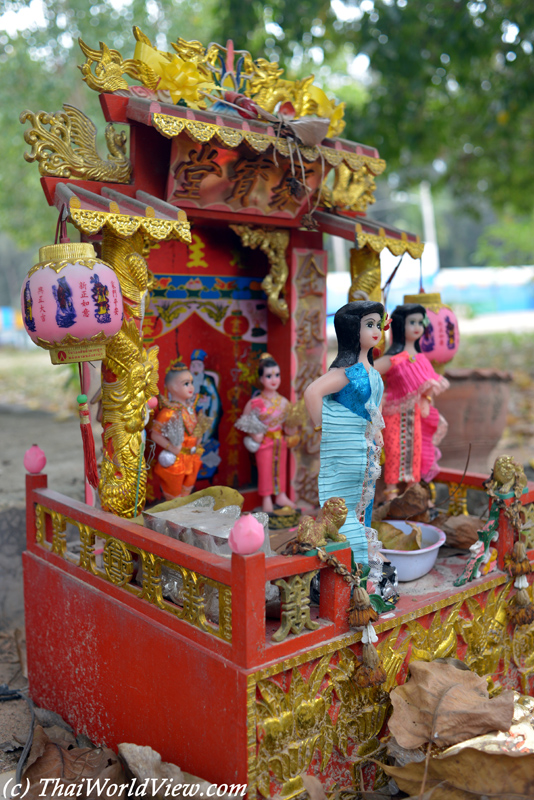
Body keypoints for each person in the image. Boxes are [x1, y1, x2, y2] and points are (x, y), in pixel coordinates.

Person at [304, 301, 385, 566]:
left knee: (364, 500)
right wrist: (325, 428)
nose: (376, 331)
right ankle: (350, 556)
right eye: (369, 325)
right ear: (352, 329)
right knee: (343, 502)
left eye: (378, 325)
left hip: (365, 449)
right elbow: (313, 392)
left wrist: (377, 434)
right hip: (345, 446)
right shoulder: (348, 373)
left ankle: (362, 556)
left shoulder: (373, 373)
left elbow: (376, 409)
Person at [374, 303, 449, 500]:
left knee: (415, 451)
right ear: (400, 326)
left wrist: (427, 399)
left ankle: (413, 493)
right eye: (411, 322)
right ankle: (390, 496)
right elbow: (368, 371)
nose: (417, 327)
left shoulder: (422, 358)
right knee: (393, 451)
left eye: (420, 322)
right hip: (392, 413)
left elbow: (428, 385)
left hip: (415, 415)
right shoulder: (393, 359)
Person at [236, 353, 297, 513]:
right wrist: (255, 434)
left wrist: (293, 430)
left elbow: (289, 425)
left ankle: (281, 495)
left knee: (280, 470)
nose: (274, 379)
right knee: (265, 471)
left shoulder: (284, 402)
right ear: (261, 379)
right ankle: (266, 499)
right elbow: (244, 421)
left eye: (277, 375)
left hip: (280, 441)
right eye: (269, 376)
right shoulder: (255, 402)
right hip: (264, 443)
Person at [150, 362, 203, 500]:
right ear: (172, 387)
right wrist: (171, 447)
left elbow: (194, 430)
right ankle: (173, 520)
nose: (191, 387)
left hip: (192, 458)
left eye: (191, 382)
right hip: (176, 460)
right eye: (186, 384)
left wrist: (199, 437)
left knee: (186, 495)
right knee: (174, 499)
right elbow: (155, 434)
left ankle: (182, 520)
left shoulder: (191, 410)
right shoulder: (169, 412)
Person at [189, 348, 222, 479]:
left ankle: (207, 474)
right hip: (190, 418)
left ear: (202, 367)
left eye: (198, 365)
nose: (196, 368)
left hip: (204, 418)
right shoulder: (187, 379)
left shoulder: (207, 381)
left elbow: (215, 401)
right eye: (193, 365)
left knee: (205, 443)